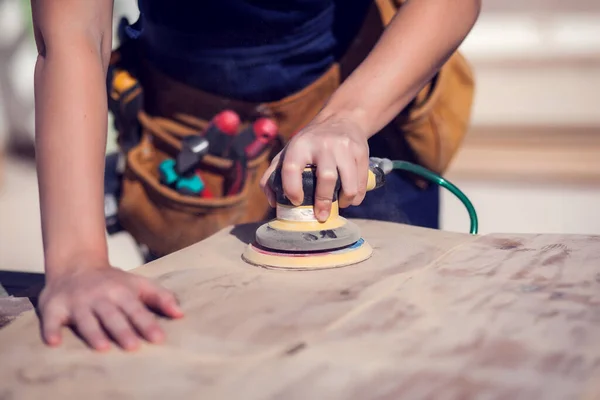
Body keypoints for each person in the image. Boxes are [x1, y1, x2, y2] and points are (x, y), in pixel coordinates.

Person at [30, 0, 480, 351]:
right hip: (198, 142)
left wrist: (346, 118)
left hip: (367, 101)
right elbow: (74, 31)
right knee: (207, 352)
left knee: (387, 346)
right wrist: (77, 262)